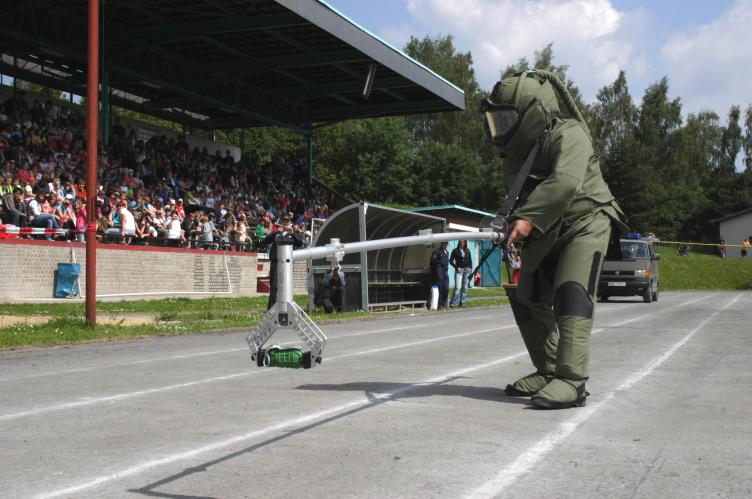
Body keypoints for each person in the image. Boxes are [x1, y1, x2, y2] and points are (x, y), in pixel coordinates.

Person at [481, 70, 628, 409]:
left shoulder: (569, 133)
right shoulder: (516, 156)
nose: (499, 128)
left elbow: (565, 182)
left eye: (506, 119)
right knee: (527, 294)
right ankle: (547, 370)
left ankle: (572, 380)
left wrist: (527, 219)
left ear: (533, 112)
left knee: (571, 292)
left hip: (586, 222)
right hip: (549, 227)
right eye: (495, 120)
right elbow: (521, 198)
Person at [260, 216, 305, 310]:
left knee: (286, 286)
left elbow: (300, 243)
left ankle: (285, 308)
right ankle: (271, 309)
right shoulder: (276, 233)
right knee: (274, 287)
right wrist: (276, 232)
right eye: (283, 221)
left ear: (289, 223)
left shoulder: (293, 233)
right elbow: (266, 241)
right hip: (276, 262)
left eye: (286, 222)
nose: (285, 223)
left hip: (287, 264)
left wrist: (292, 233)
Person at [449, 240, 473, 308]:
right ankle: (453, 303)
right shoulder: (455, 251)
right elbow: (451, 261)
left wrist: (470, 268)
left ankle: (462, 303)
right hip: (459, 271)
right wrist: (457, 267)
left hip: (467, 271)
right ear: (459, 242)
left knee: (465, 288)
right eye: (461, 241)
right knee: (457, 287)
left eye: (464, 241)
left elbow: (470, 260)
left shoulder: (467, 250)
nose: (462, 243)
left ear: (465, 243)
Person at [430, 241, 450, 310]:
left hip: (445, 272)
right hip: (439, 271)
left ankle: (444, 304)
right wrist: (436, 273)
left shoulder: (447, 252)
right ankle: (439, 305)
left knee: (446, 288)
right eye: (444, 243)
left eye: (447, 243)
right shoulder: (437, 252)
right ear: (441, 244)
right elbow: (432, 263)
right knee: (440, 288)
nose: (446, 245)